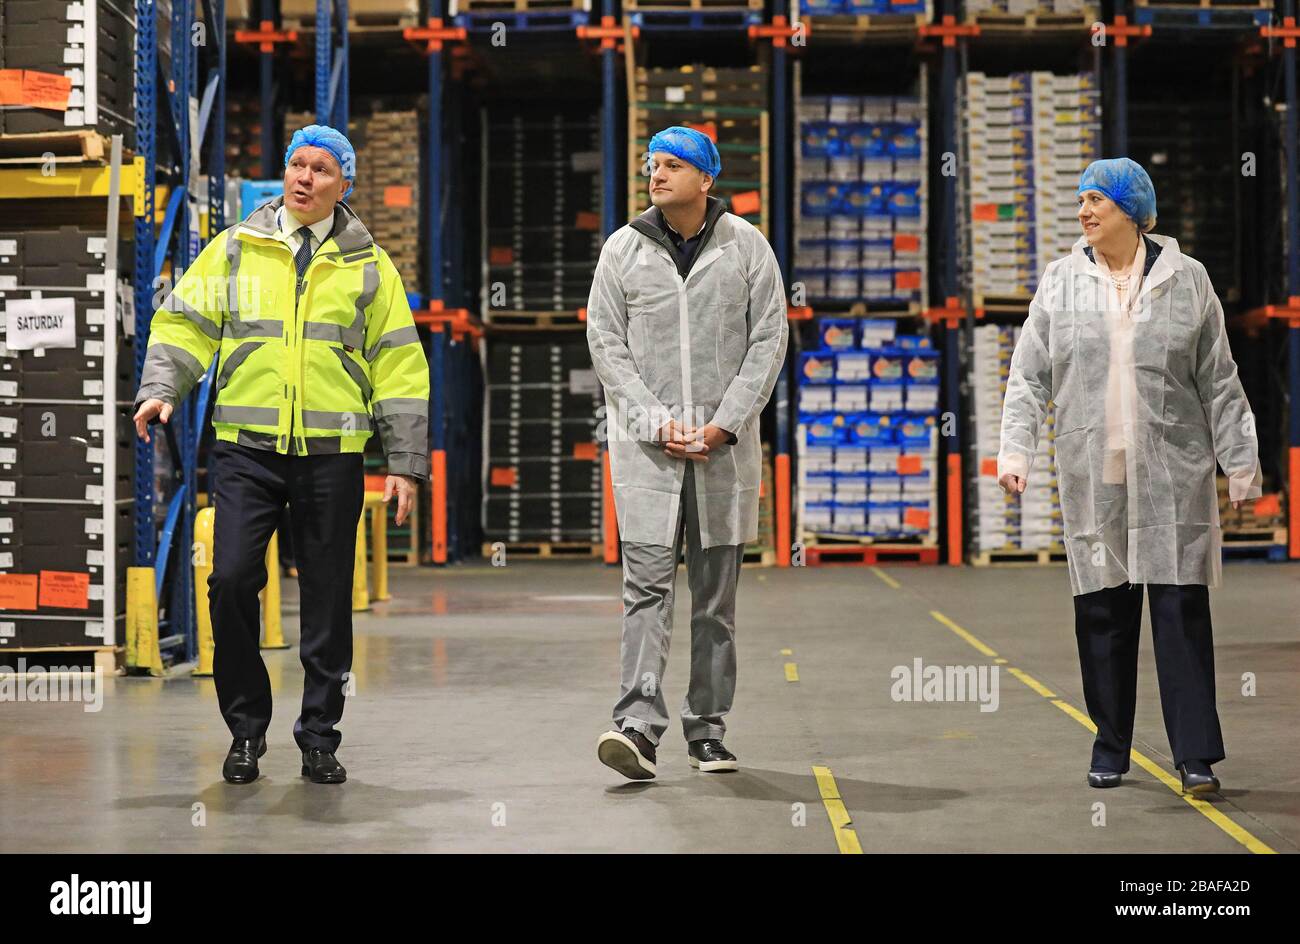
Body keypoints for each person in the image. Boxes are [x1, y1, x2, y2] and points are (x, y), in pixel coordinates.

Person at [132, 125, 430, 785]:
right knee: (230, 578)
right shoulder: (238, 248)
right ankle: (246, 730)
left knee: (326, 600)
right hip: (247, 449)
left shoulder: (367, 264)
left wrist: (405, 462)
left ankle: (319, 737)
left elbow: (402, 368)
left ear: (342, 184)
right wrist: (161, 389)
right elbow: (184, 322)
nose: (303, 177)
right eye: (296, 164)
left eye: (320, 169)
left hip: (332, 454)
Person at [999, 157, 1261, 796]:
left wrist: (1241, 458)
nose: (1084, 212)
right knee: (1103, 618)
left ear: (1133, 212)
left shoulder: (1187, 280)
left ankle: (1195, 755)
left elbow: (1218, 378)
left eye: (1097, 201)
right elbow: (1029, 374)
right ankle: (1111, 744)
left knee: (1179, 614)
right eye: (1081, 201)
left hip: (1173, 477)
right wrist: (1017, 450)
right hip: (1095, 475)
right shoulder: (1061, 282)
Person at [586, 126, 789, 780]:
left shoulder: (745, 247)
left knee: (713, 602)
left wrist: (725, 424)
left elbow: (768, 340)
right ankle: (638, 727)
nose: (657, 173)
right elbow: (606, 344)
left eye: (673, 165)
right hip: (649, 454)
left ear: (706, 179)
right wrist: (654, 420)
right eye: (653, 164)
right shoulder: (623, 250)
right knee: (645, 591)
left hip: (721, 454)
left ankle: (707, 730)